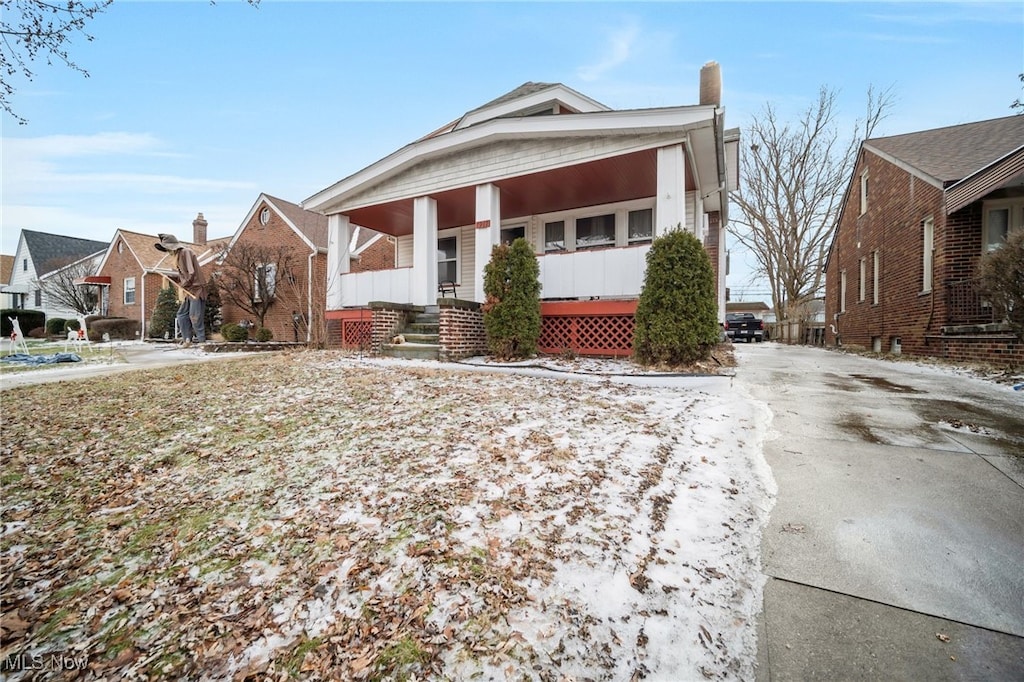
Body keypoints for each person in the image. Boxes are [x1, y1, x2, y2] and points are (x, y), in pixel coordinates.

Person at [154, 233, 207, 345]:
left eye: (167, 248)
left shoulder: (185, 252)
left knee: (195, 316)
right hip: (189, 291)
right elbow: (183, 276)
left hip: (197, 289)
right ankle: (187, 339)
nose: (168, 251)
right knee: (182, 315)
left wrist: (185, 284)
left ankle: (202, 342)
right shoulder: (178, 257)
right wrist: (171, 277)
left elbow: (191, 272)